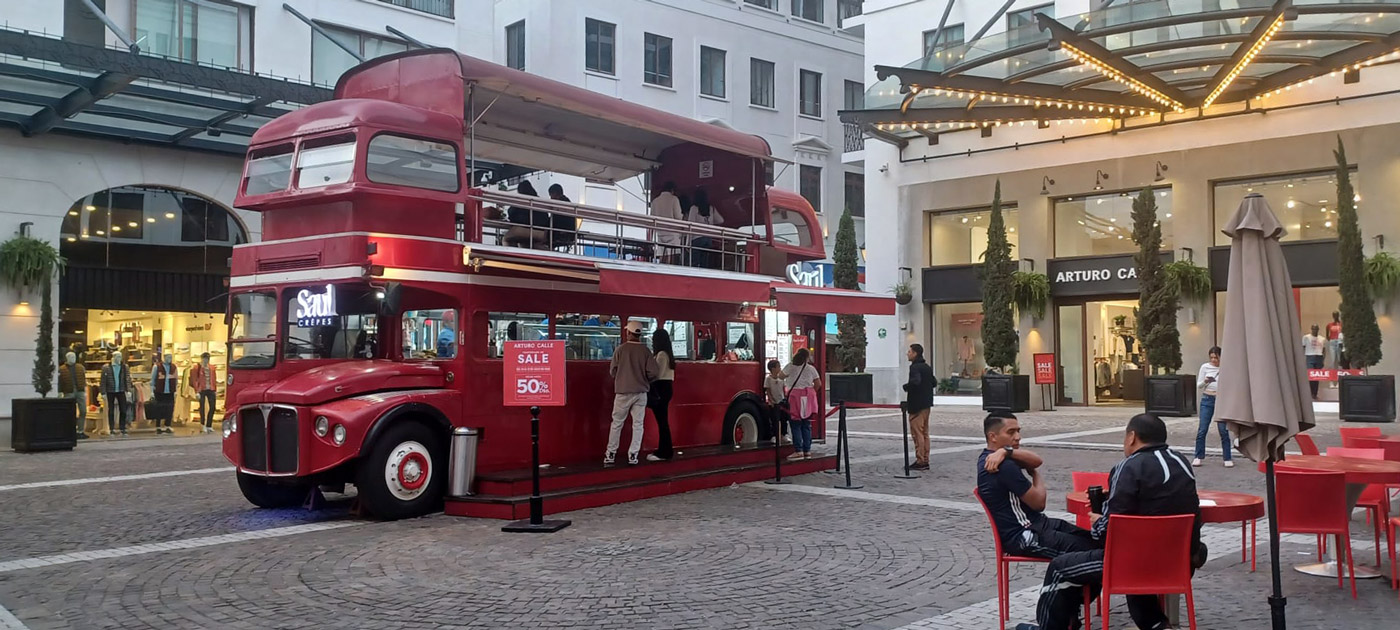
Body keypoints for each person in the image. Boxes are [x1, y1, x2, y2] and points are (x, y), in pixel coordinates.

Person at [1017, 413, 1203, 630]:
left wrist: (1098, 520)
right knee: (1133, 568)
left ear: (1132, 437)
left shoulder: (1129, 467)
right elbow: (1162, 502)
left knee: (1060, 567)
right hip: (1178, 560)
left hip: (1132, 562)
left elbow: (1107, 532)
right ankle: (1157, 625)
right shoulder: (1181, 462)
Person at [979, 413, 1096, 560]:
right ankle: (1071, 582)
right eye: (1011, 432)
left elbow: (1037, 460)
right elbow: (1039, 503)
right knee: (1095, 553)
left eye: (1018, 431)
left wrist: (1006, 451)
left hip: (1038, 524)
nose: (1018, 437)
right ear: (993, 436)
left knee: (1096, 540)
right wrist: (1035, 475)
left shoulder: (995, 457)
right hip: (1024, 535)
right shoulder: (1002, 466)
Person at [606, 320, 660, 466]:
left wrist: (622, 376)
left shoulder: (620, 349)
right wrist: (644, 379)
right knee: (638, 424)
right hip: (641, 392)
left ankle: (611, 454)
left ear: (628, 332)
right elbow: (654, 372)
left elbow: (613, 371)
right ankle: (633, 455)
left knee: (617, 423)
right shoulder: (645, 351)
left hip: (623, 392)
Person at [1192, 346, 1232, 468]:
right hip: (1207, 399)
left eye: (1216, 357)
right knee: (1202, 429)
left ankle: (1227, 457)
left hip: (1220, 399)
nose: (1214, 360)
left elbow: (1230, 384)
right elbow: (1199, 385)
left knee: (1223, 430)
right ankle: (1198, 456)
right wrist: (1206, 381)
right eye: (1212, 357)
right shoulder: (1205, 367)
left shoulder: (1226, 367)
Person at [783, 348, 821, 460]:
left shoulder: (790, 367)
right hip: (808, 398)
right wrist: (811, 392)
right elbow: (818, 384)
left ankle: (798, 451)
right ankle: (807, 451)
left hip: (794, 397)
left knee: (795, 424)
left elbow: (780, 376)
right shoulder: (811, 368)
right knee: (806, 424)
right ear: (807, 357)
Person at [646, 327, 677, 461]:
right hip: (667, 387)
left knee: (662, 422)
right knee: (663, 422)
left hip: (660, 387)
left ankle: (664, 451)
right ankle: (665, 449)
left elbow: (655, 373)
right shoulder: (668, 354)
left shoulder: (661, 355)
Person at [903, 343, 935, 470]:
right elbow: (934, 382)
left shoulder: (915, 368)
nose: (908, 353)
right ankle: (925, 459)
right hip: (927, 404)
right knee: (925, 433)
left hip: (917, 405)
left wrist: (906, 387)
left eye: (909, 351)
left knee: (917, 434)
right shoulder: (927, 367)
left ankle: (920, 460)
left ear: (915, 353)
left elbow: (915, 382)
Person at [686, 188, 726, 268]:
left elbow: (690, 225)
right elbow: (721, 220)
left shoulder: (694, 208)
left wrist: (687, 242)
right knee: (704, 263)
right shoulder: (711, 208)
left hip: (696, 238)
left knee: (694, 263)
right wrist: (710, 223)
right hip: (708, 239)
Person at [504, 181, 550, 249]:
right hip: (542, 233)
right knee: (526, 243)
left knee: (506, 238)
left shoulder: (521, 200)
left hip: (524, 230)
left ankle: (511, 257)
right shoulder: (539, 200)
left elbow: (511, 213)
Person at [100, 352, 133, 437]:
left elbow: (127, 378)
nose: (119, 359)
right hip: (110, 391)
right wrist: (103, 392)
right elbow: (103, 381)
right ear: (113, 357)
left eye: (120, 357)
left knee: (123, 409)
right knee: (111, 410)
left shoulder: (124, 367)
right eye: (118, 357)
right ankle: (111, 429)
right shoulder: (106, 368)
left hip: (121, 390)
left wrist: (128, 390)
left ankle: (122, 428)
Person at [651, 181, 685, 262]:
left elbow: (652, 217)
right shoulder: (674, 199)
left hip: (660, 232)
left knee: (662, 254)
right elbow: (678, 217)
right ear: (672, 190)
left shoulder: (655, 201)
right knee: (671, 255)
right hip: (672, 232)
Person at [58, 351, 88, 439]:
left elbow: (83, 378)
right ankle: (71, 430)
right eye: (71, 357)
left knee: (83, 411)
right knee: (70, 412)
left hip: (80, 391)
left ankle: (80, 430)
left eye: (74, 357)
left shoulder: (80, 367)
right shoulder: (62, 369)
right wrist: (60, 391)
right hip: (68, 391)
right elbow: (60, 382)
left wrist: (84, 387)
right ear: (67, 358)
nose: (73, 358)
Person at [190, 352, 219, 434]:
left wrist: (215, 389)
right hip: (201, 389)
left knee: (212, 407)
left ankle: (209, 425)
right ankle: (202, 424)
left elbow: (214, 379)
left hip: (211, 389)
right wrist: (196, 391)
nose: (206, 360)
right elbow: (194, 379)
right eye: (205, 358)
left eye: (207, 359)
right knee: (202, 407)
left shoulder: (212, 368)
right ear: (202, 359)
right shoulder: (197, 368)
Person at [152, 353, 178, 435]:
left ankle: (167, 425)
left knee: (170, 408)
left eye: (170, 357)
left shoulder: (174, 367)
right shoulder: (157, 367)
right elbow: (152, 380)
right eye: (168, 357)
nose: (169, 358)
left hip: (170, 391)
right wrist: (151, 391)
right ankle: (158, 426)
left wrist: (175, 390)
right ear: (164, 358)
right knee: (159, 408)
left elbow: (176, 379)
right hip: (160, 391)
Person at [763, 359, 789, 444]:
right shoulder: (768, 379)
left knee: (783, 419)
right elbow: (768, 390)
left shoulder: (781, 379)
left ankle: (784, 434)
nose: (780, 368)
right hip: (773, 403)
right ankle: (774, 435)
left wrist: (785, 398)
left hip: (781, 402)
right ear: (773, 369)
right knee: (774, 419)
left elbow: (783, 389)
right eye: (778, 367)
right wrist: (771, 400)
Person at [547, 184, 578, 249]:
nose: (551, 198)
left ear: (555, 194)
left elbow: (557, 220)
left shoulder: (560, 204)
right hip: (568, 233)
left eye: (551, 195)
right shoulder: (567, 202)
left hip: (562, 233)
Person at [1302, 323, 1325, 399]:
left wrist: (1323, 360)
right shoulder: (1306, 337)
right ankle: (1310, 392)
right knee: (1311, 376)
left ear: (1318, 329)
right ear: (1311, 329)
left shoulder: (1322, 338)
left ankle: (1314, 393)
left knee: (1317, 377)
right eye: (1313, 329)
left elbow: (1324, 350)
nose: (1315, 330)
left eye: (1316, 329)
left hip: (1319, 357)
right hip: (1309, 356)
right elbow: (1303, 347)